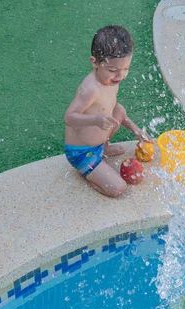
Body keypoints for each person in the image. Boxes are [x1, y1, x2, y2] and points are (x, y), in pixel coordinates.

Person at [64, 25, 153, 198]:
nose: (120, 76)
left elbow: (114, 110)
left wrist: (136, 130)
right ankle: (90, 176)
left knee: (118, 109)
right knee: (118, 188)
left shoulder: (111, 81)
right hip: (82, 152)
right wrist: (96, 120)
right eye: (113, 70)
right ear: (95, 62)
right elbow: (69, 118)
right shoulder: (91, 89)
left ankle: (103, 148)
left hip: (97, 144)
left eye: (126, 69)